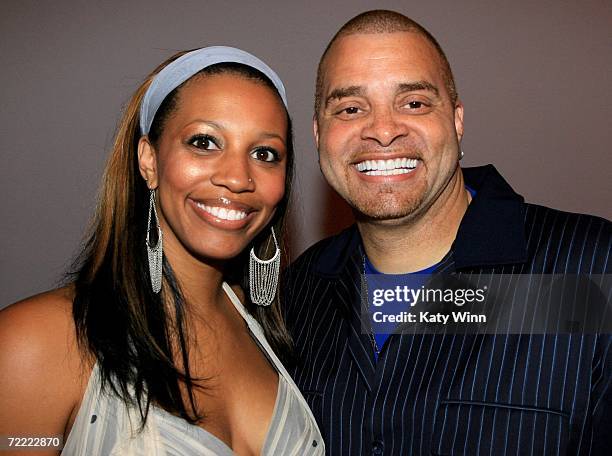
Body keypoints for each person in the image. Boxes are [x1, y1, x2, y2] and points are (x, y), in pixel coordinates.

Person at [283, 10, 612, 455]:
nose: (382, 130)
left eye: (414, 103)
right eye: (350, 108)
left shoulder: (591, 271)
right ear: (320, 135)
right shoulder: (299, 293)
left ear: (457, 121)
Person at [0, 46, 324, 455]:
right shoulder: (35, 343)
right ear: (149, 160)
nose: (238, 177)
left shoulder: (270, 331)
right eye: (205, 142)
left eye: (264, 154)